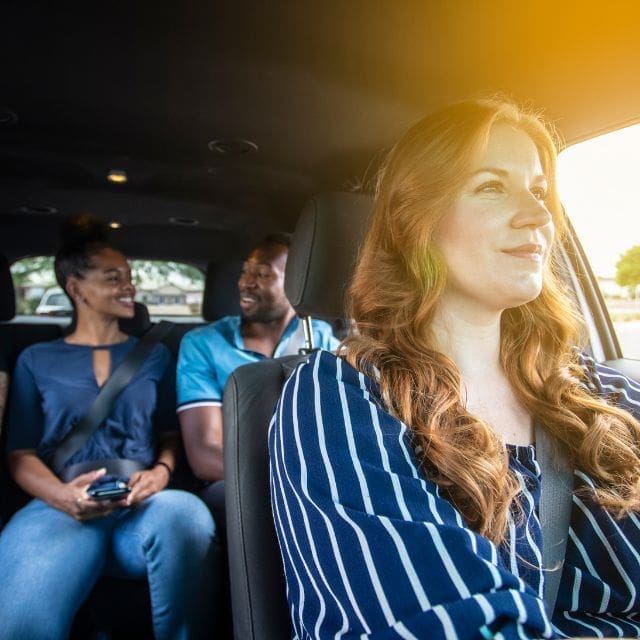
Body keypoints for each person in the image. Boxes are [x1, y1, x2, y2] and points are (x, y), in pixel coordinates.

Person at [269, 98, 640, 639]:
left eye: (539, 191)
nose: (540, 215)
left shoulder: (603, 393)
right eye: (491, 186)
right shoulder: (339, 400)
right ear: (415, 220)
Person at [0, 217, 218, 640]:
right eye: (113, 277)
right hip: (60, 505)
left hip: (143, 506)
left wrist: (160, 474)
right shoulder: (34, 359)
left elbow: (171, 437)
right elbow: (20, 453)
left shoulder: (155, 356)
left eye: (130, 278)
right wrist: (63, 496)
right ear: (75, 287)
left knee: (187, 515)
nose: (129, 288)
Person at [177, 233, 338, 503]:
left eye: (262, 274)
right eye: (244, 272)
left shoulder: (320, 338)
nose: (245, 283)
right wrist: (298, 481)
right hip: (233, 483)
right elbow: (205, 455)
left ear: (296, 284)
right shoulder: (203, 344)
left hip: (314, 482)